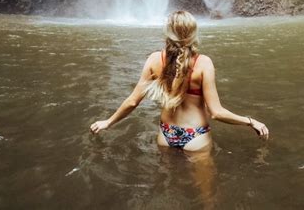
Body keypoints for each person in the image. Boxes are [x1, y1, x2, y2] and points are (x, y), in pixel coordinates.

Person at [90, 10, 269, 152]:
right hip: (195, 136)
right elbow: (216, 113)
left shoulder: (153, 60)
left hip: (166, 134)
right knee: (206, 194)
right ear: (193, 34)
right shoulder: (203, 63)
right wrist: (251, 121)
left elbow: (132, 101)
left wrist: (108, 122)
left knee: (168, 186)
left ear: (167, 33)